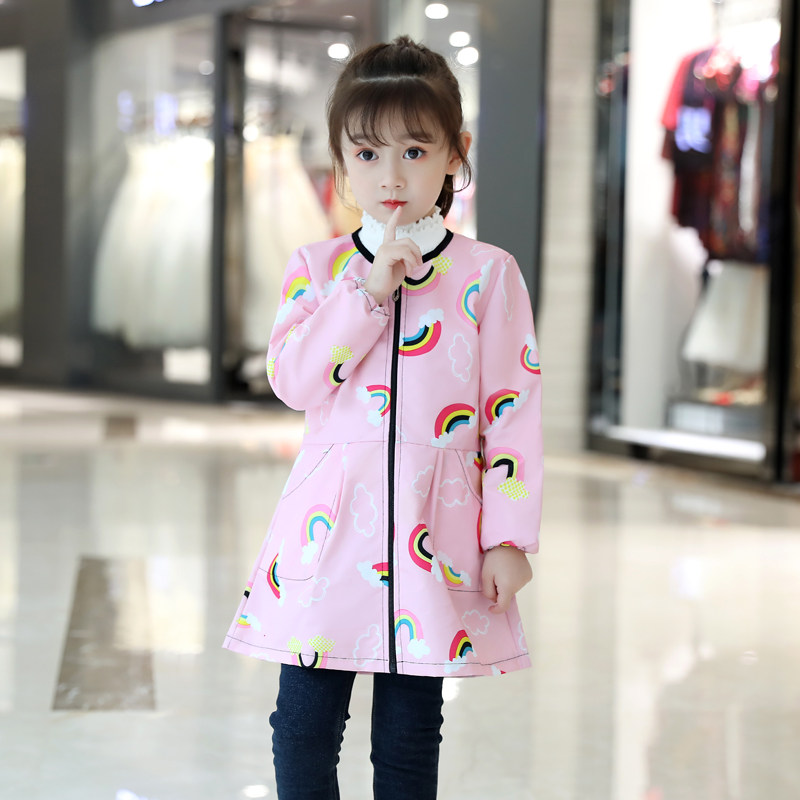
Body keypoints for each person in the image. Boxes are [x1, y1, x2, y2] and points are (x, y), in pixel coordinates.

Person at [223, 35, 543, 800]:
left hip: (435, 540)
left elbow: (513, 418)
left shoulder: (489, 275)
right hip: (327, 536)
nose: (391, 175)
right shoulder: (316, 269)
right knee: (301, 729)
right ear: (340, 163)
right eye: (367, 154)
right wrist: (365, 292)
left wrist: (507, 537)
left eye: (415, 150)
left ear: (456, 154)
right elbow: (295, 381)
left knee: (408, 737)